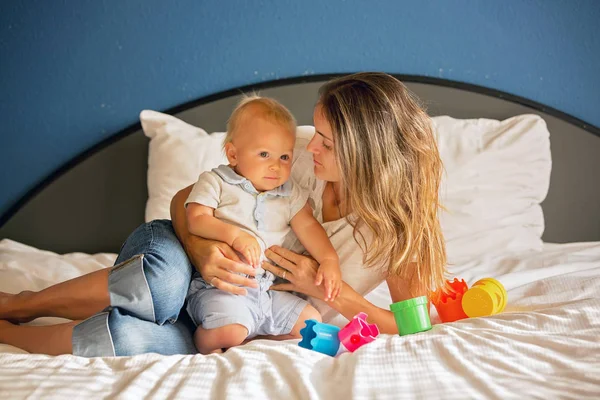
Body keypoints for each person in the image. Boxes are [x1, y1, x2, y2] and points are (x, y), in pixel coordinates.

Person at [0, 72, 447, 356]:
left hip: (236, 315)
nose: (311, 147)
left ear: (369, 155)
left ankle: (10, 335)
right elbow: (184, 200)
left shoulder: (399, 232)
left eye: (327, 142)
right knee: (162, 284)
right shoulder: (294, 158)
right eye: (317, 133)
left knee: (130, 341)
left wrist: (330, 292)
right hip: (178, 254)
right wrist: (202, 249)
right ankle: (22, 304)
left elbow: (412, 327)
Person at [184, 96, 340, 354]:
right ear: (234, 154)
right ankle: (203, 342)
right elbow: (196, 218)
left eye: (284, 157)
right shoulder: (217, 181)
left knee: (311, 322)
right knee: (231, 330)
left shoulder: (289, 193)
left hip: (269, 290)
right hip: (224, 287)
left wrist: (329, 260)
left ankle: (248, 345)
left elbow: (310, 227)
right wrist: (233, 236)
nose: (275, 166)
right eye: (264, 154)